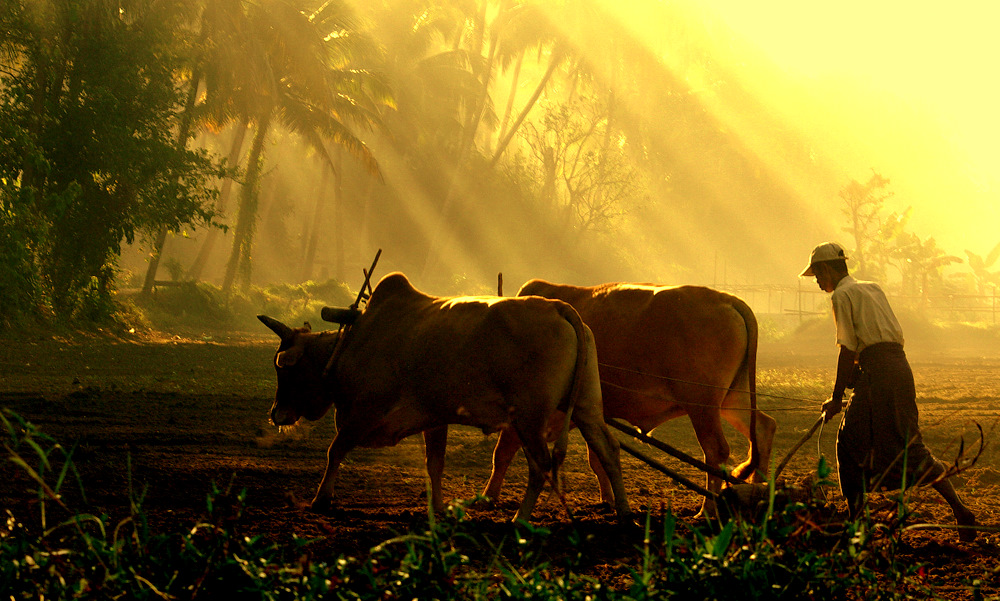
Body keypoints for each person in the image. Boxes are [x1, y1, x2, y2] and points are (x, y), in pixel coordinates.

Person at [800, 242, 977, 542]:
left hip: (879, 376)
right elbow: (879, 340)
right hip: (898, 369)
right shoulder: (872, 288)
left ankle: (857, 527)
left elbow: (847, 349)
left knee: (848, 442)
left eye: (817, 275)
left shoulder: (842, 295)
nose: (817, 282)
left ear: (828, 269)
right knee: (908, 443)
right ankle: (960, 510)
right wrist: (859, 373)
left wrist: (836, 396)